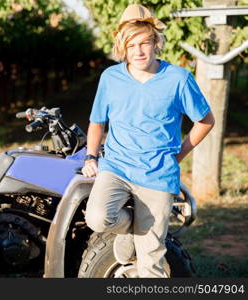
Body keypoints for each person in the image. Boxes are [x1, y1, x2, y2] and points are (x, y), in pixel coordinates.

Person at [82, 4, 215, 278]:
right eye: (132, 45)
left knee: (151, 262)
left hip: (157, 175)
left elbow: (206, 121)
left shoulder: (178, 79)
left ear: (156, 42)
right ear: (123, 47)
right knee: (97, 217)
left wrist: (179, 154)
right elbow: (97, 122)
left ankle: (141, 238)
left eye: (145, 43)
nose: (139, 51)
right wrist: (91, 156)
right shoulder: (111, 78)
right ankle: (131, 227)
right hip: (116, 166)